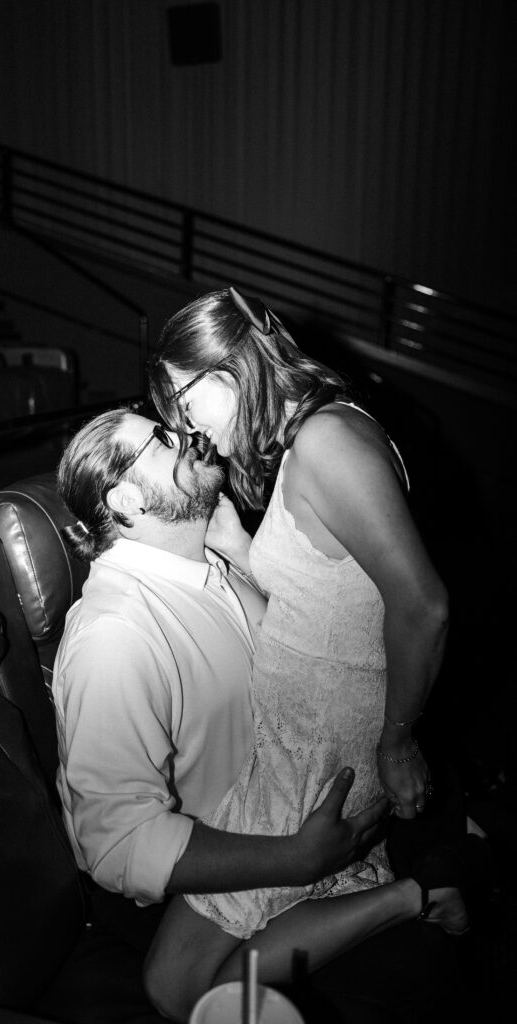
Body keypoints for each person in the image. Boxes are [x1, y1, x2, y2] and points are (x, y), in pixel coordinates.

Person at [52, 406, 481, 1023]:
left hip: (292, 798)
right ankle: (411, 894)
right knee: (179, 994)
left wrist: (233, 546)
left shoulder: (205, 564)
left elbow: (299, 647)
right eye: (163, 440)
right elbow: (117, 844)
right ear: (125, 500)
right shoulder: (115, 637)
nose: (191, 438)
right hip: (213, 864)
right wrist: (298, 859)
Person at [143, 286, 488, 1021]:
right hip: (297, 745)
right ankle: (400, 895)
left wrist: (397, 743)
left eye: (185, 395)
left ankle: (408, 894)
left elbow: (421, 604)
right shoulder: (311, 439)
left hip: (316, 759)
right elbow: (334, 598)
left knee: (172, 990)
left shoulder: (327, 443)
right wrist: (237, 544)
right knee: (210, 966)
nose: (184, 421)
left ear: (233, 372)